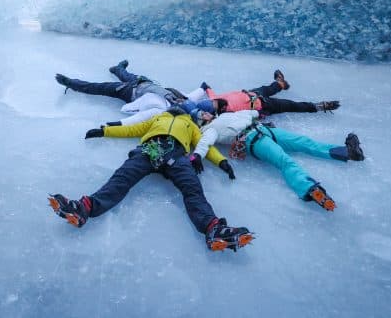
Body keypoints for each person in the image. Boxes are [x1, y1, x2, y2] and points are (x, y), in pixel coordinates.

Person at [48, 108, 252, 251]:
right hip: (149, 149)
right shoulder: (157, 119)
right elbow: (132, 129)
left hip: (177, 154)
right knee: (123, 178)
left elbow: (206, 147)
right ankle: (84, 208)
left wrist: (222, 162)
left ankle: (213, 228)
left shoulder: (191, 126)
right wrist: (104, 131)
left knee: (192, 189)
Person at [191, 108, 365, 211]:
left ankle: (346, 153)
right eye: (201, 114)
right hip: (253, 141)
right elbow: (205, 143)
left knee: (303, 142)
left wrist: (256, 111)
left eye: (204, 111)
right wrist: (197, 155)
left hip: (264, 129)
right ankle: (310, 189)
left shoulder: (225, 115)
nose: (205, 113)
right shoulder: (210, 129)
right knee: (284, 160)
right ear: (200, 121)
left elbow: (250, 112)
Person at [55, 60, 226, 125]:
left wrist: (118, 123)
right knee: (126, 74)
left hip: (129, 92)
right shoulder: (186, 99)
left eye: (205, 113)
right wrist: (205, 88)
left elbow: (135, 116)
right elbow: (198, 94)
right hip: (144, 82)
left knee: (98, 87)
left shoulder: (165, 111)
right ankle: (117, 68)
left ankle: (71, 83)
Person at [200, 69, 340, 116]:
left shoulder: (216, 102)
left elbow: (209, 90)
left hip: (253, 94)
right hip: (264, 104)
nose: (215, 101)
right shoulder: (226, 113)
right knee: (290, 105)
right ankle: (319, 106)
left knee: (272, 89)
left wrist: (205, 87)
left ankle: (281, 83)